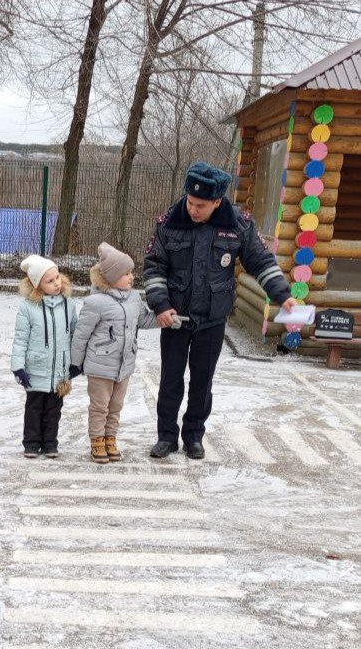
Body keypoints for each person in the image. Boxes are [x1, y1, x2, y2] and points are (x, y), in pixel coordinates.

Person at [144, 161, 298, 459]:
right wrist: (161, 305)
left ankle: (193, 437)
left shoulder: (238, 224)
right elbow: (154, 266)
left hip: (212, 321)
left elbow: (260, 261)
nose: (193, 210)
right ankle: (166, 436)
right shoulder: (169, 223)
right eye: (190, 202)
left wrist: (283, 294)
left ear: (217, 202)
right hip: (175, 319)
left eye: (201, 205)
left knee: (202, 382)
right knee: (170, 380)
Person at [71, 243, 158, 464]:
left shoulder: (134, 298)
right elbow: (81, 334)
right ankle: (97, 440)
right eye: (126, 273)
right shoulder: (95, 302)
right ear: (111, 277)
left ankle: (110, 437)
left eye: (131, 272)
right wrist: (75, 363)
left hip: (124, 364)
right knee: (100, 405)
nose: (131, 277)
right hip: (100, 364)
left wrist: (165, 319)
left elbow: (144, 320)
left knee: (116, 406)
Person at [11, 254, 77, 458]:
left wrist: (76, 362)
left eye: (57, 277)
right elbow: (20, 340)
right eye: (50, 281)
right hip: (36, 368)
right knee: (34, 408)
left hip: (60, 370)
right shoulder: (27, 307)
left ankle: (50, 442)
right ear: (37, 285)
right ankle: (31, 443)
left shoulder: (68, 304)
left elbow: (75, 334)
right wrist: (18, 367)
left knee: (54, 410)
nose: (57, 283)